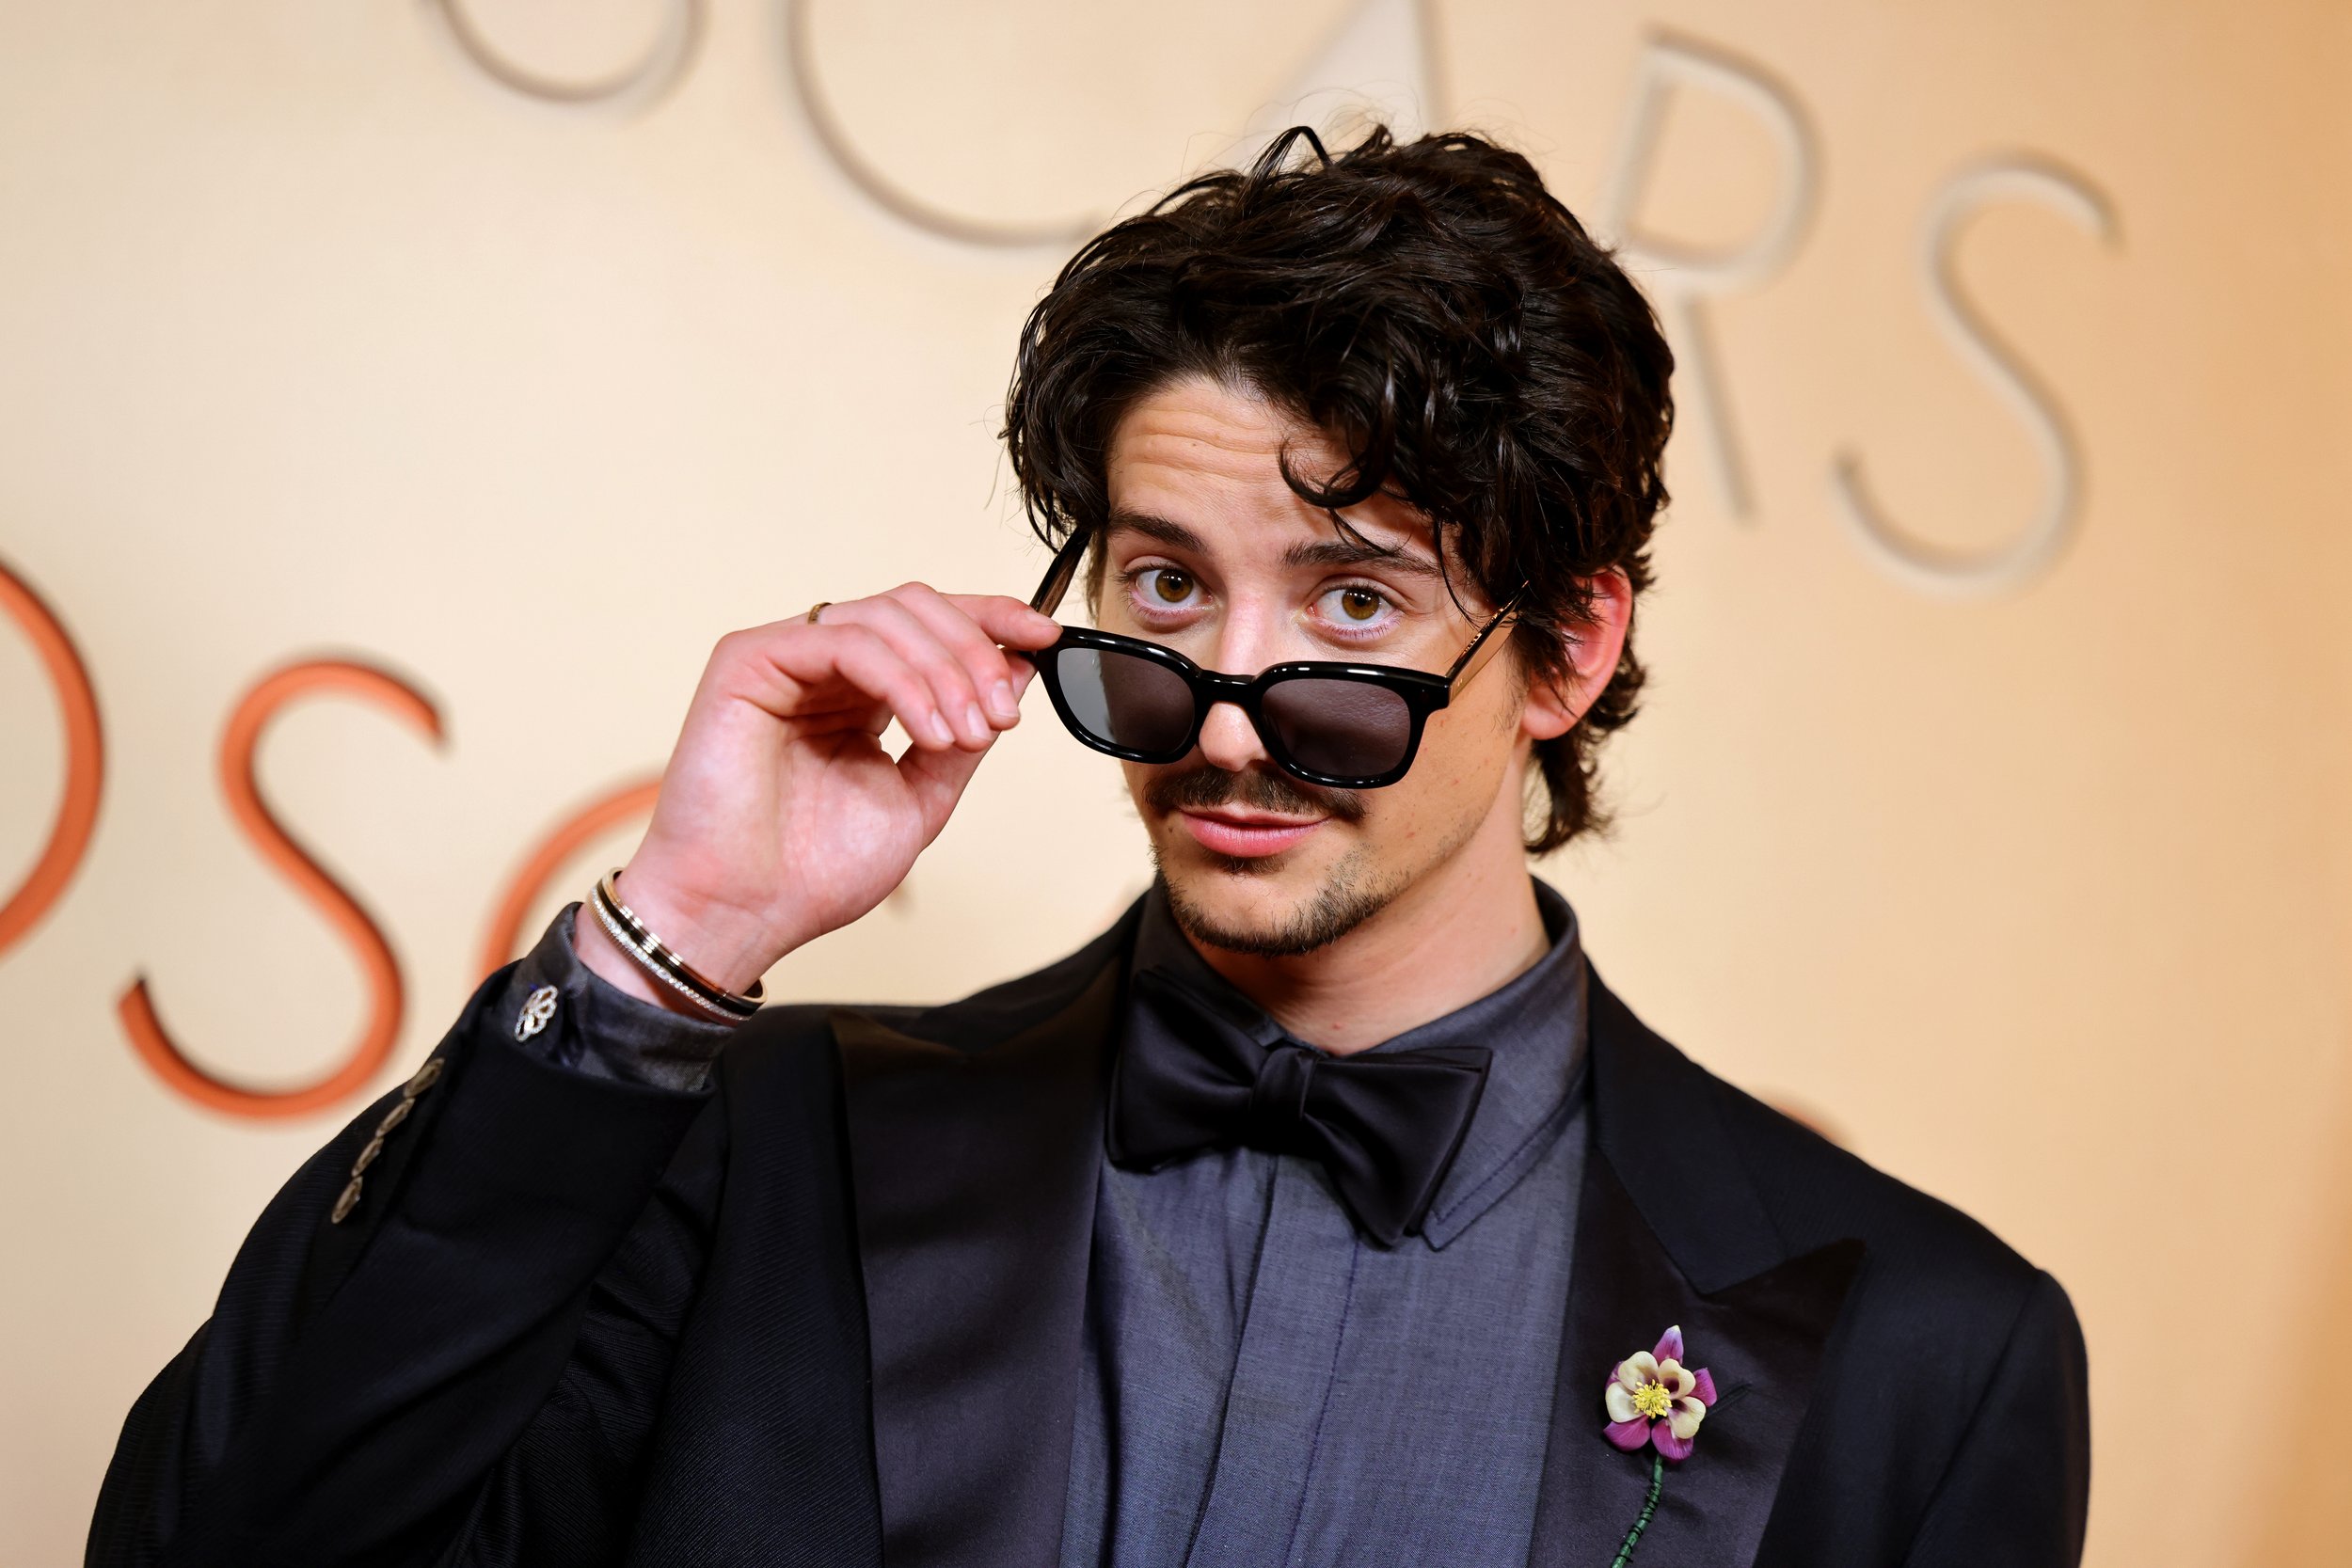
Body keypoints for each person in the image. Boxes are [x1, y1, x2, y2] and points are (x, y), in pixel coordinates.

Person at [87, 126, 2089, 1568]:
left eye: (1352, 604)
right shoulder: (754, 1147)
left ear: (1560, 651)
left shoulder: (1934, 1350)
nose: (1224, 709)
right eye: (1162, 585)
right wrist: (672, 936)